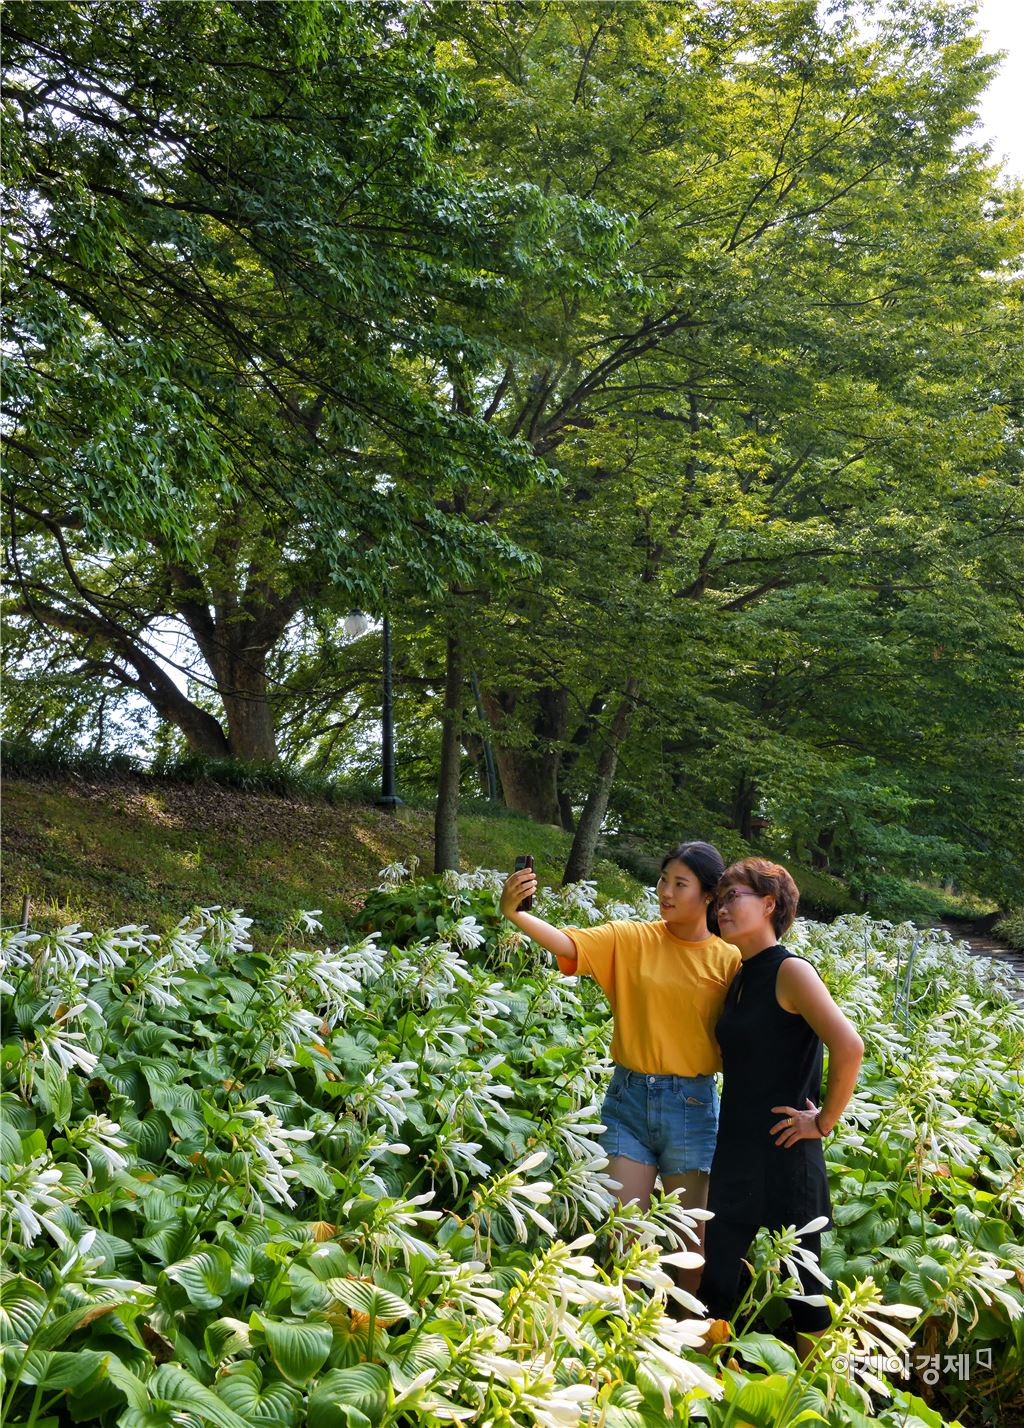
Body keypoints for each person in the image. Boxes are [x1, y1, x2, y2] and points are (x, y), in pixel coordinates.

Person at [500, 842, 741, 1285]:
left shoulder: (730, 959)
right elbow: (569, 942)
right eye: (663, 879)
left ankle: (691, 1333)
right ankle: (628, 1335)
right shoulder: (634, 937)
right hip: (627, 1097)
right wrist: (516, 913)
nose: (665, 891)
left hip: (691, 1104)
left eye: (679, 884)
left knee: (689, 1237)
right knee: (626, 1232)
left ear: (708, 895)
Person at [699, 857, 864, 1352]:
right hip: (737, 1148)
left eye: (734, 896)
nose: (722, 906)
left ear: (769, 904)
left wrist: (824, 1122)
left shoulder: (791, 970)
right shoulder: (741, 975)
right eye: (719, 897)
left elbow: (849, 1045)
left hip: (785, 1149)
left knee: (806, 1292)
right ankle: (705, 1396)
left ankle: (818, 1399)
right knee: (716, 1283)